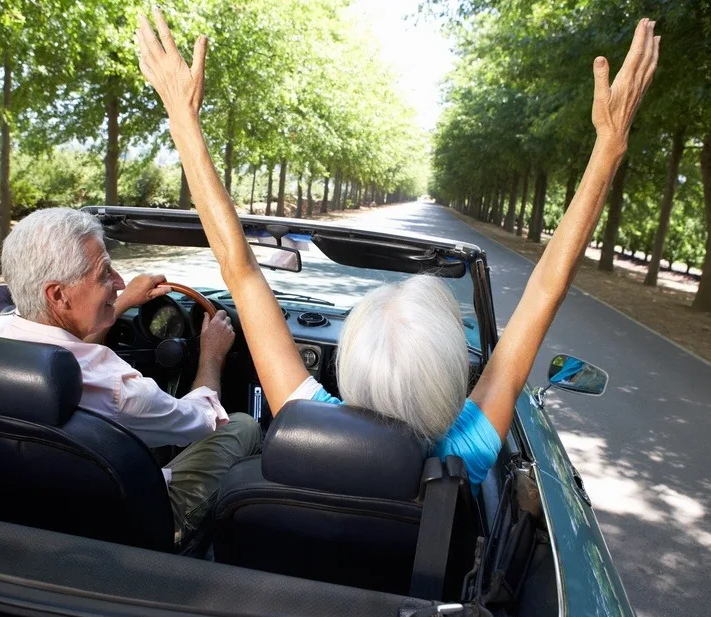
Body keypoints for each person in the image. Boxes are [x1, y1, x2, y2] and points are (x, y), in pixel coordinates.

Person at [135, 12, 658, 489]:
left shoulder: (302, 418)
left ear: (346, 374)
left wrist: (182, 119)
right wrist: (610, 144)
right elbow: (546, 288)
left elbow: (240, 269)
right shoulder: (466, 453)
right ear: (452, 383)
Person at [0, 207, 261, 550]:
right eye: (105, 274)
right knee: (241, 425)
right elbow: (202, 421)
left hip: (31, 513)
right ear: (57, 295)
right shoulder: (117, 388)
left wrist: (121, 304)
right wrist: (211, 355)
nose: (119, 283)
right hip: (127, 527)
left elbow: (67, 345)